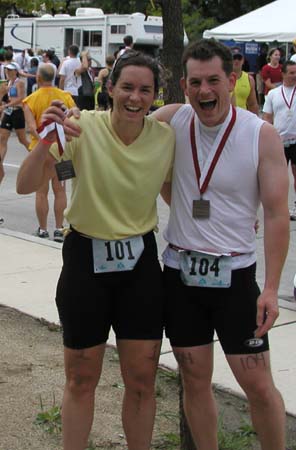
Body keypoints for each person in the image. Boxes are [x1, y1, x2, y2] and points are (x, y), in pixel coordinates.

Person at [16, 51, 175, 450]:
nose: (135, 97)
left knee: (141, 380)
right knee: (81, 377)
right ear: (109, 88)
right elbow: (24, 183)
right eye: (127, 87)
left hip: (139, 264)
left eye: (145, 90)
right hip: (86, 259)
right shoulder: (79, 126)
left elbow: (182, 189)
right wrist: (45, 141)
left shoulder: (164, 138)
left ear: (155, 95)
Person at [153, 39, 289, 450]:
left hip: (235, 279)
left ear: (233, 80)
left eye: (214, 80)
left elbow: (276, 214)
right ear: (183, 84)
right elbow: (121, 126)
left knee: (258, 384)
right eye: (195, 82)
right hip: (180, 275)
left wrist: (269, 289)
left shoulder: (259, 135)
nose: (204, 91)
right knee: (194, 379)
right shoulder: (172, 120)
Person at [22, 63, 76, 241]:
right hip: (63, 150)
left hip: (41, 152)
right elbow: (74, 120)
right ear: (53, 77)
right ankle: (60, 228)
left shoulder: (30, 100)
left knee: (41, 192)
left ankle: (43, 229)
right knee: (60, 190)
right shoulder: (66, 96)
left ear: (37, 77)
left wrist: (45, 140)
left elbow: (31, 128)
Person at [263, 60, 296, 221]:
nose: (294, 76)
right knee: (279, 178)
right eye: (291, 73)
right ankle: (279, 207)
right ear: (283, 74)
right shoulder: (273, 94)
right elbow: (267, 118)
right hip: (279, 142)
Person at [0, 62, 29, 177]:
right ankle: (0, 161)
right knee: (2, 138)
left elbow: (22, 98)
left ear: (16, 71)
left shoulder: (19, 82)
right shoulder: (8, 83)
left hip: (17, 112)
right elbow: (6, 98)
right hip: (8, 113)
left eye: (10, 70)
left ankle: (38, 157)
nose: (8, 72)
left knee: (22, 140)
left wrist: (6, 106)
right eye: (7, 70)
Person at [230, 46, 259, 114]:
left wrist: (255, 122)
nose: (236, 60)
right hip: (225, 120)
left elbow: (252, 105)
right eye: (234, 58)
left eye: (239, 58)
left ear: (243, 60)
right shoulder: (222, 77)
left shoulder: (249, 79)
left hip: (242, 120)